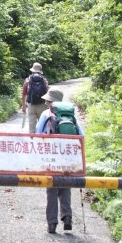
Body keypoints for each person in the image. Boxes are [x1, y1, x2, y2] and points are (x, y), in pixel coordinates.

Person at [37, 89, 83, 234]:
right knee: (65, 187)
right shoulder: (71, 116)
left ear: (50, 101)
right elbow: (81, 136)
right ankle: (67, 217)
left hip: (51, 155)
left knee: (51, 189)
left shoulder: (46, 114)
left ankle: (52, 222)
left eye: (47, 100)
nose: (45, 102)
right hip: (68, 155)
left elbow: (38, 135)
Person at [21, 62, 50, 132]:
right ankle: (42, 140)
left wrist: (24, 107)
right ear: (40, 71)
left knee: (31, 126)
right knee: (43, 124)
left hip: (31, 105)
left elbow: (23, 94)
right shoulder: (44, 80)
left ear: (32, 70)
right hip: (42, 105)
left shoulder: (28, 80)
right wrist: (49, 106)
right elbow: (48, 92)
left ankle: (32, 140)